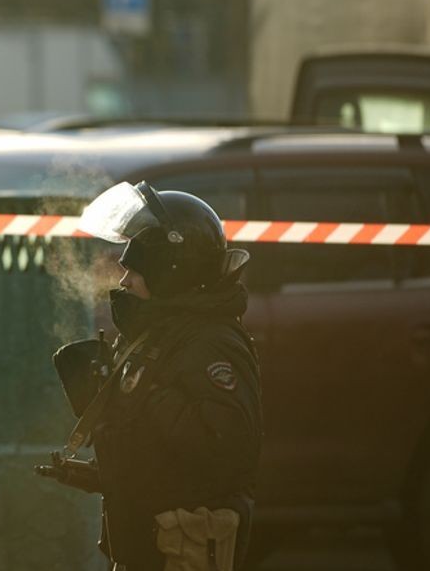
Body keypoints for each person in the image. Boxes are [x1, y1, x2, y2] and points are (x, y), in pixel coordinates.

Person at [38, 181, 262, 571]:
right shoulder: (161, 333)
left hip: (182, 546)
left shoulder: (211, 342)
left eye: (136, 271)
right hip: (145, 544)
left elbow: (222, 452)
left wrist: (143, 391)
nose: (124, 281)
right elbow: (163, 456)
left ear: (170, 273)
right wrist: (98, 472)